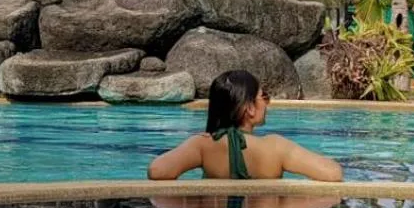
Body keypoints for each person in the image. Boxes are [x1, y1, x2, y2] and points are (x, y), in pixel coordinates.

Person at [147, 69, 344, 181]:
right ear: (249, 108)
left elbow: (158, 170)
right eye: (263, 97)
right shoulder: (276, 148)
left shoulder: (203, 145)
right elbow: (333, 173)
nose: (267, 103)